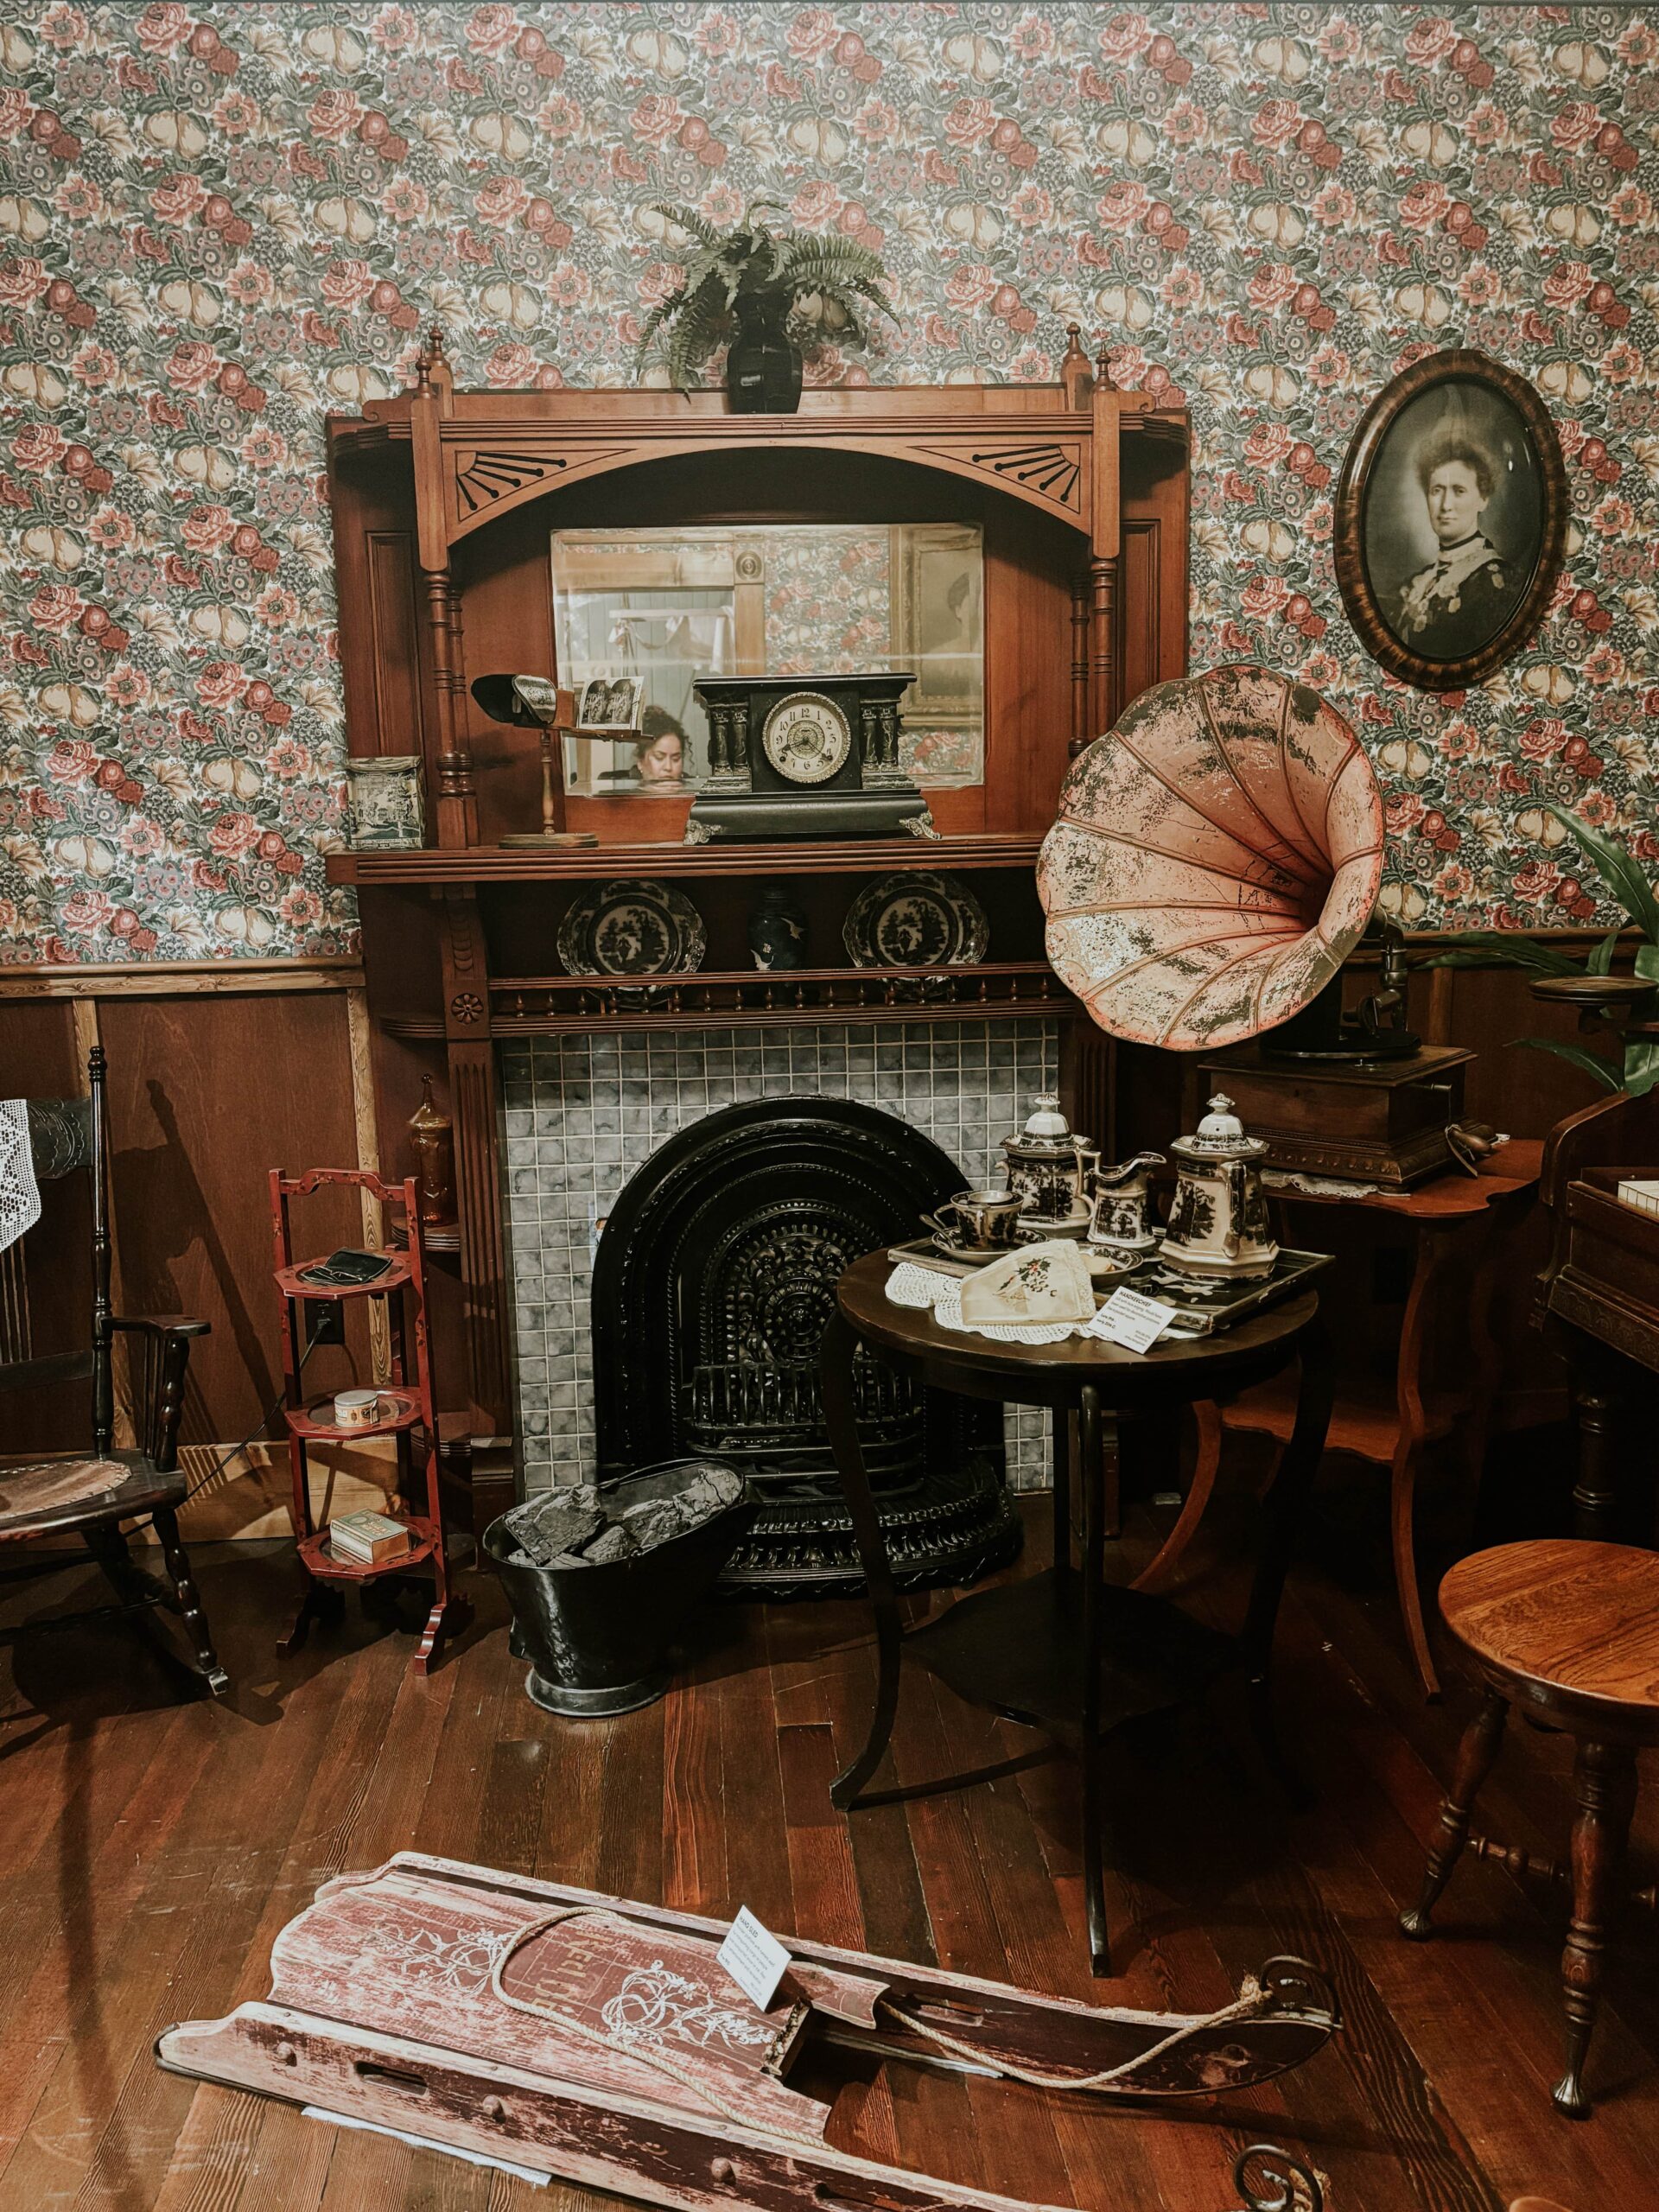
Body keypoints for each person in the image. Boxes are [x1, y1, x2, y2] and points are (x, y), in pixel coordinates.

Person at [1392, 431, 1521, 658]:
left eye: (1459, 491)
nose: (1445, 505)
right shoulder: (1417, 582)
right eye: (1436, 491)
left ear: (1483, 499)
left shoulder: (1496, 581)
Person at [632, 707, 686, 786]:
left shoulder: (693, 794)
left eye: (676, 759)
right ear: (640, 762)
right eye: (659, 757)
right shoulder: (624, 795)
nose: (668, 767)